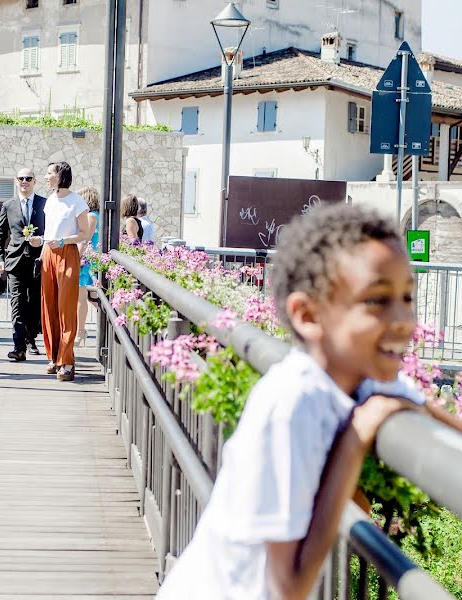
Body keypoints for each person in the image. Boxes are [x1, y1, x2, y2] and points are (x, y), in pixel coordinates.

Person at [156, 204, 426, 599]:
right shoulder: (293, 402)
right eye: (378, 300)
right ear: (308, 315)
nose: (404, 319)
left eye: (407, 297)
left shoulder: (356, 378)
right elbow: (288, 588)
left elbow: (455, 429)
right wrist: (353, 442)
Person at [40, 162, 91, 382]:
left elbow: (84, 234)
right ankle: (54, 357)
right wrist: (41, 247)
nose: (46, 177)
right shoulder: (50, 200)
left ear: (60, 176)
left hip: (68, 252)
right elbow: (48, 231)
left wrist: (62, 240)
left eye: (49, 173)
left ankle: (68, 362)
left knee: (66, 307)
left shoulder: (77, 202)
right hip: (48, 254)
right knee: (49, 306)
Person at [0, 167, 46, 361]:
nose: (24, 181)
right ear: (16, 181)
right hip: (14, 261)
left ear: (34, 181)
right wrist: (0, 260)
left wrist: (40, 240)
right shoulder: (8, 205)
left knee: (34, 303)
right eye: (21, 178)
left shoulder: (44, 204)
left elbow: (51, 232)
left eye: (28, 178)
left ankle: (31, 338)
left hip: (38, 262)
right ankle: (18, 345)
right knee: (16, 303)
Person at [75, 186, 100, 347]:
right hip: (89, 259)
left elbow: (85, 239)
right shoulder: (96, 215)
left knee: (81, 297)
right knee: (90, 297)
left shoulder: (91, 216)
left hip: (85, 261)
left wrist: (77, 257)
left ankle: (80, 331)